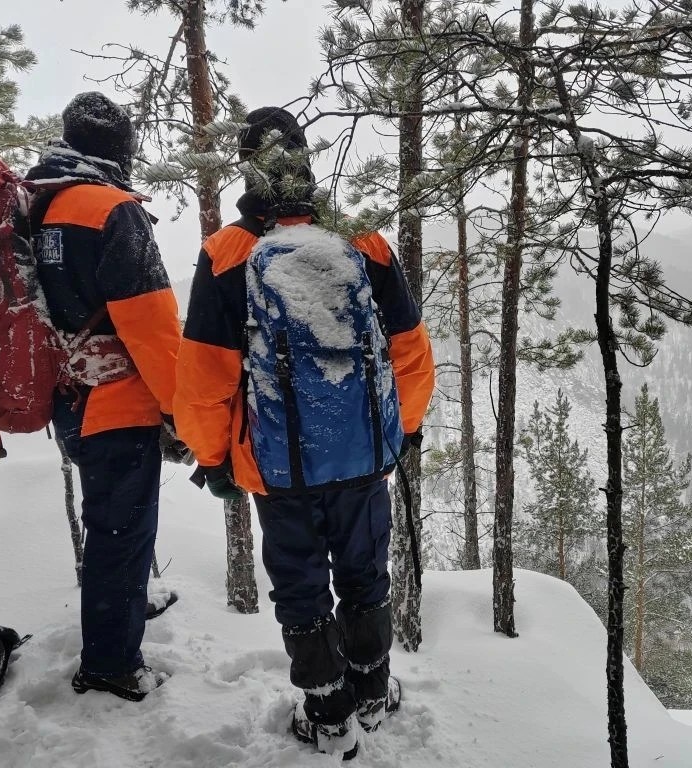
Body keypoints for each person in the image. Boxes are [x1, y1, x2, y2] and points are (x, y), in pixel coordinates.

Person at [174, 107, 434, 759]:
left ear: (246, 167)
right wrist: (400, 431)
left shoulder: (229, 254)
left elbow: (206, 377)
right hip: (362, 456)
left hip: (278, 468)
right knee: (364, 572)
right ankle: (372, 693)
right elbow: (410, 350)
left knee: (300, 584)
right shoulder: (363, 239)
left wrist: (213, 459)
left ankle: (326, 713)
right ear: (305, 158)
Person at [25, 92, 184, 702]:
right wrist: (179, 410)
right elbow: (151, 324)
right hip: (116, 401)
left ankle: (125, 610)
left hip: (68, 396)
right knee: (120, 528)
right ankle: (111, 661)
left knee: (112, 520)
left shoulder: (42, 204)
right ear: (120, 148)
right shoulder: (111, 210)